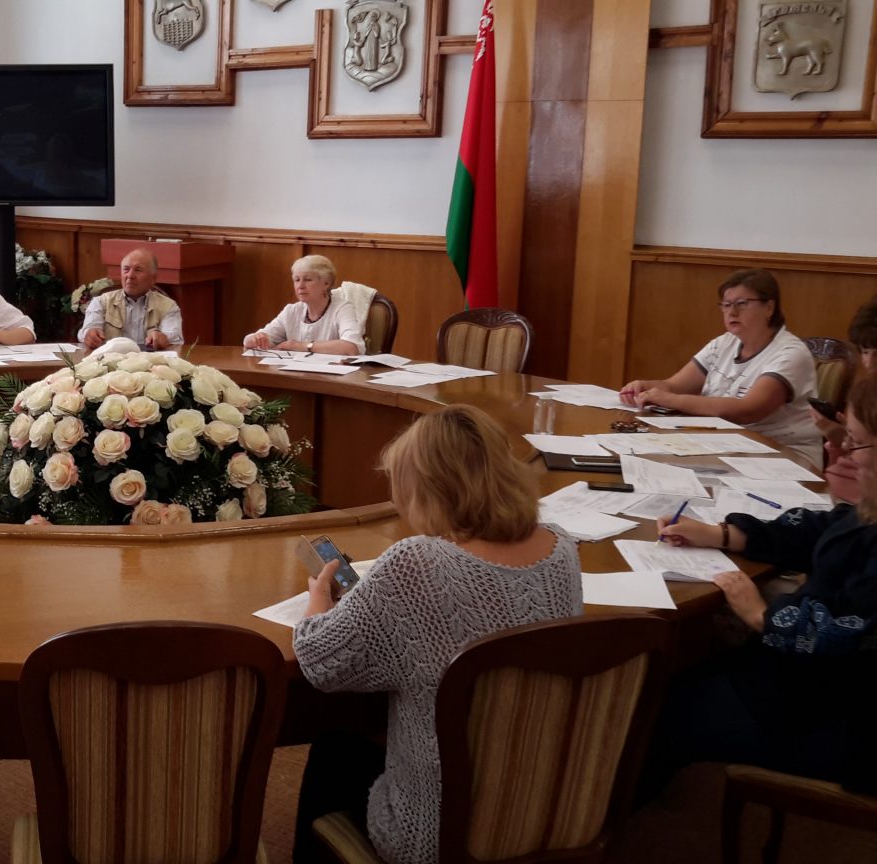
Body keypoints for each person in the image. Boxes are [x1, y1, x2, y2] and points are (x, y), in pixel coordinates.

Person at [290, 405, 582, 864]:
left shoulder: (415, 563)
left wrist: (319, 599)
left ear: (428, 487)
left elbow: (319, 661)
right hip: (545, 805)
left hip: (440, 832)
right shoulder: (562, 547)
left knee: (335, 746)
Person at [644, 375, 877, 798]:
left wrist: (761, 615)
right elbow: (822, 529)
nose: (842, 451)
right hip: (808, 682)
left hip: (839, 714)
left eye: (856, 443)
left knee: (659, 710)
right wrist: (725, 534)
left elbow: (845, 635)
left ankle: (595, 821)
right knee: (676, 676)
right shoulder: (871, 509)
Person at [620, 268, 820, 466]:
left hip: (784, 454)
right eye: (726, 305)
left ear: (769, 307)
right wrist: (645, 387)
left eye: (742, 304)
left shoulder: (790, 353)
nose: (732, 312)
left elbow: (748, 410)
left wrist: (671, 400)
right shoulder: (724, 343)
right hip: (728, 444)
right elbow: (674, 386)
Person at [813, 296, 877, 503]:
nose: (870, 363)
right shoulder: (865, 393)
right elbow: (839, 473)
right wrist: (841, 440)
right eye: (865, 352)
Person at [242, 255, 365, 355]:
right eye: (297, 280)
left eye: (307, 279)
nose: (300, 286)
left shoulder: (342, 308)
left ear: (326, 283)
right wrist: (254, 338)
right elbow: (253, 340)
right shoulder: (292, 310)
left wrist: (301, 346)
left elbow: (351, 347)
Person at [78, 248, 183, 351]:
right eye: (126, 269)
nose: (130, 275)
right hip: (110, 360)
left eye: (138, 270)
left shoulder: (168, 306)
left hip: (150, 361)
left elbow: (174, 337)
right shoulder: (101, 302)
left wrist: (163, 338)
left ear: (153, 278)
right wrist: (89, 335)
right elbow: (86, 331)